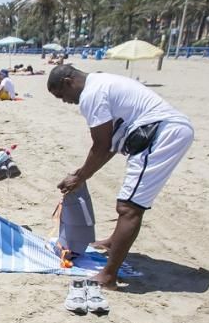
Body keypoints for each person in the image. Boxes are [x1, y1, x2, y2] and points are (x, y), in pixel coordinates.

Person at [47, 64, 194, 290]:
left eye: (62, 96)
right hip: (159, 132)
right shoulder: (101, 82)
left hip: (161, 135)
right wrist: (82, 174)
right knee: (129, 203)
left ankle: (108, 276)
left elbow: (101, 144)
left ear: (69, 82)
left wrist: (81, 176)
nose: (65, 101)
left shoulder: (91, 94)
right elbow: (110, 147)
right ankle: (114, 242)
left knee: (129, 207)